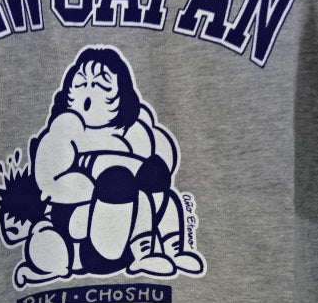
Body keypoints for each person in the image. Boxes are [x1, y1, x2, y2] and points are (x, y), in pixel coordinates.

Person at [14, 45, 204, 288]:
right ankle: (134, 253)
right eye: (81, 83)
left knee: (156, 181)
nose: (89, 91)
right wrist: (93, 188)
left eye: (100, 84)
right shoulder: (64, 131)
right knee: (120, 182)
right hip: (78, 234)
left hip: (125, 232)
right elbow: (49, 183)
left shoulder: (132, 136)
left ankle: (171, 251)